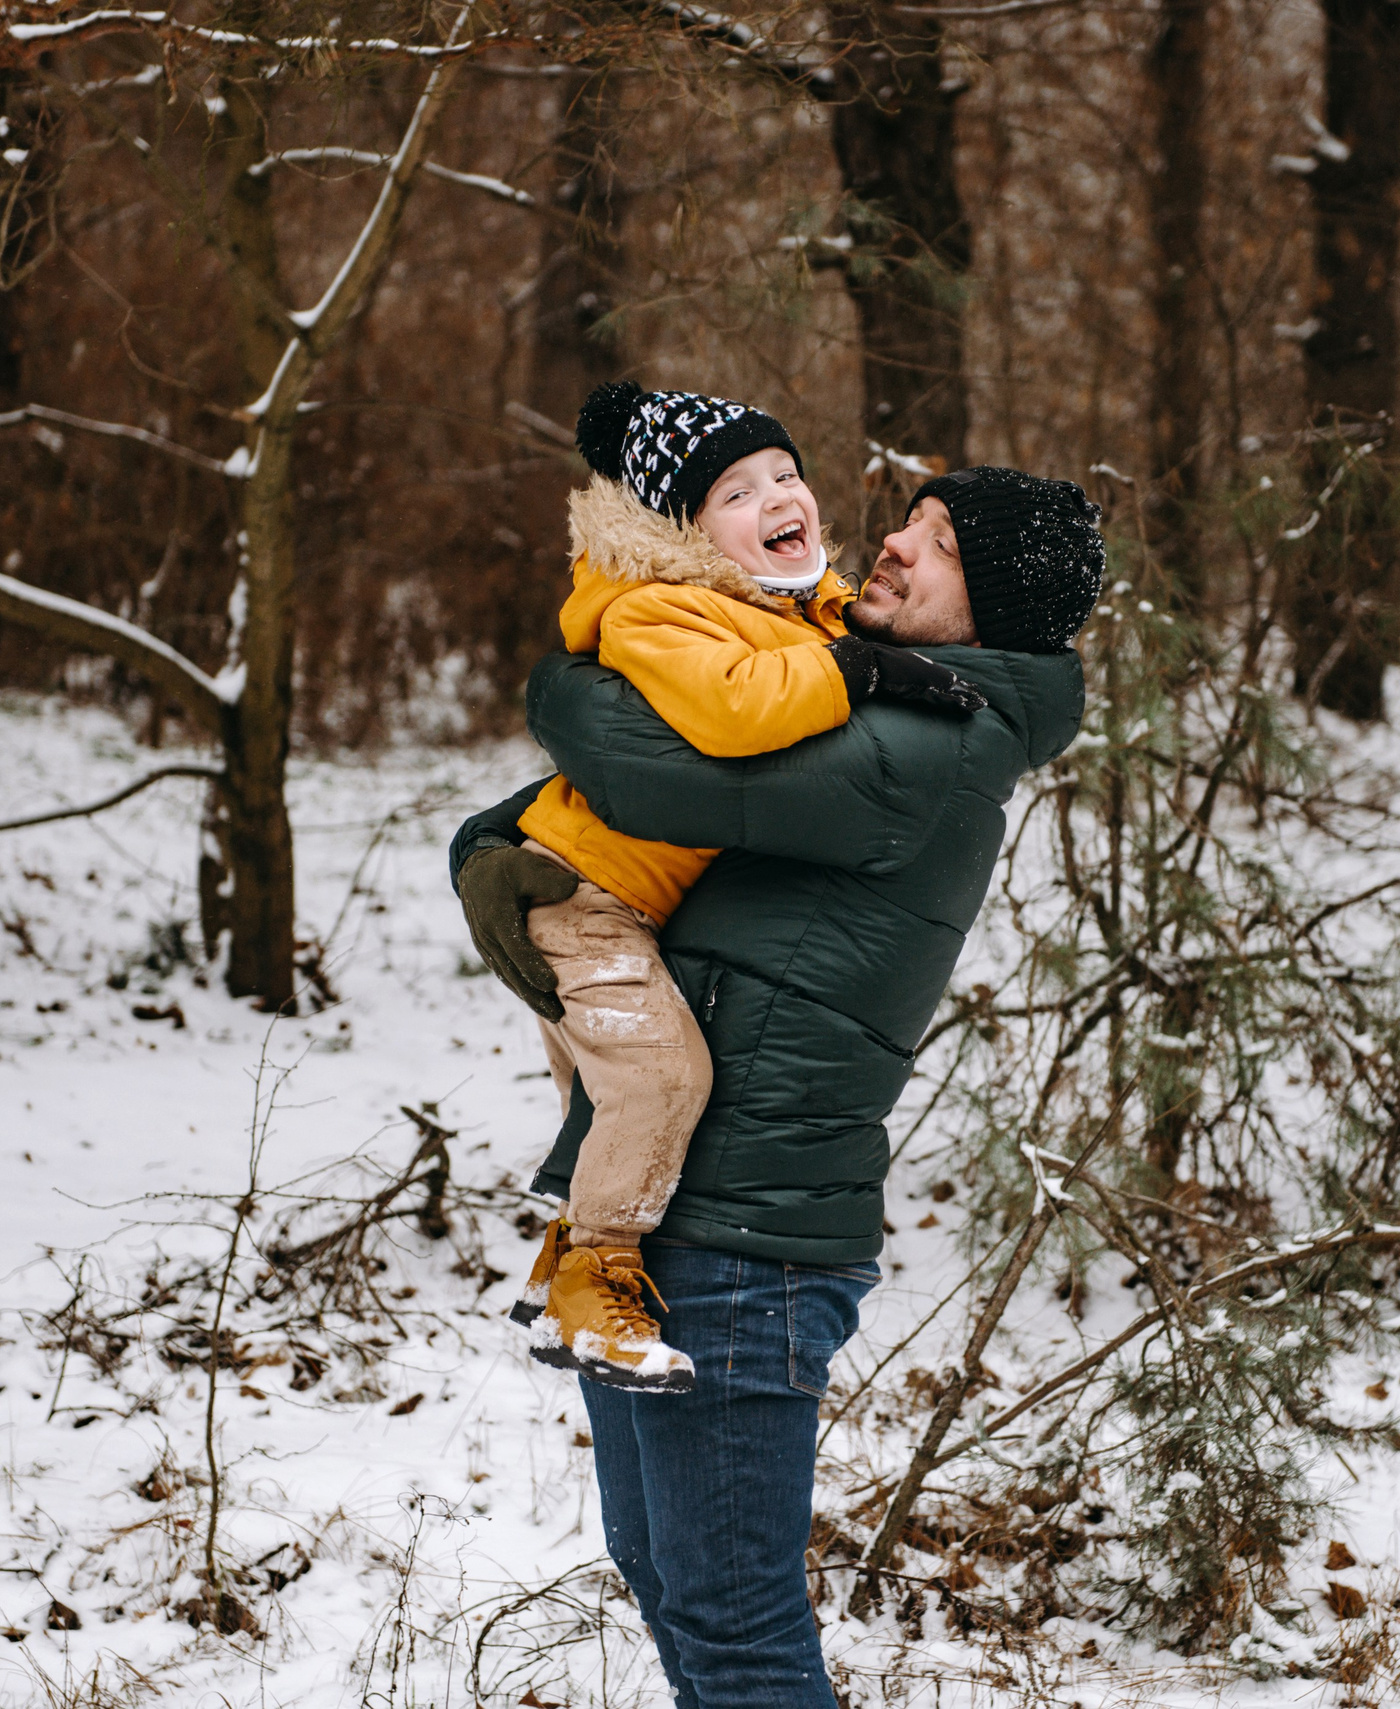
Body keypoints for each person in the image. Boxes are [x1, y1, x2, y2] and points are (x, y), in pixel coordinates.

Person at [451, 465, 1104, 1708]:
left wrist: (563, 664)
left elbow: (643, 772)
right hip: (683, 1215)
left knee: (734, 1621)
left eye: (944, 541)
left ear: (1000, 606)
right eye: (909, 516)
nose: (897, 544)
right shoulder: (889, 703)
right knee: (662, 1568)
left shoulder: (932, 741)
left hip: (751, 1238)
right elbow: (625, 806)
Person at [478, 381, 991, 1393]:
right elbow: (733, 711)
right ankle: (595, 1277)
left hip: (627, 901)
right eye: (737, 493)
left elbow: (832, 639)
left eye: (785, 474)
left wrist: (870, 644)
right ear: (682, 535)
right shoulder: (656, 607)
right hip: (583, 893)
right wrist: (864, 673)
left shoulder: (784, 602)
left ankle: (570, 1259)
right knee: (664, 1078)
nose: (777, 497)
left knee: (614, 1095)